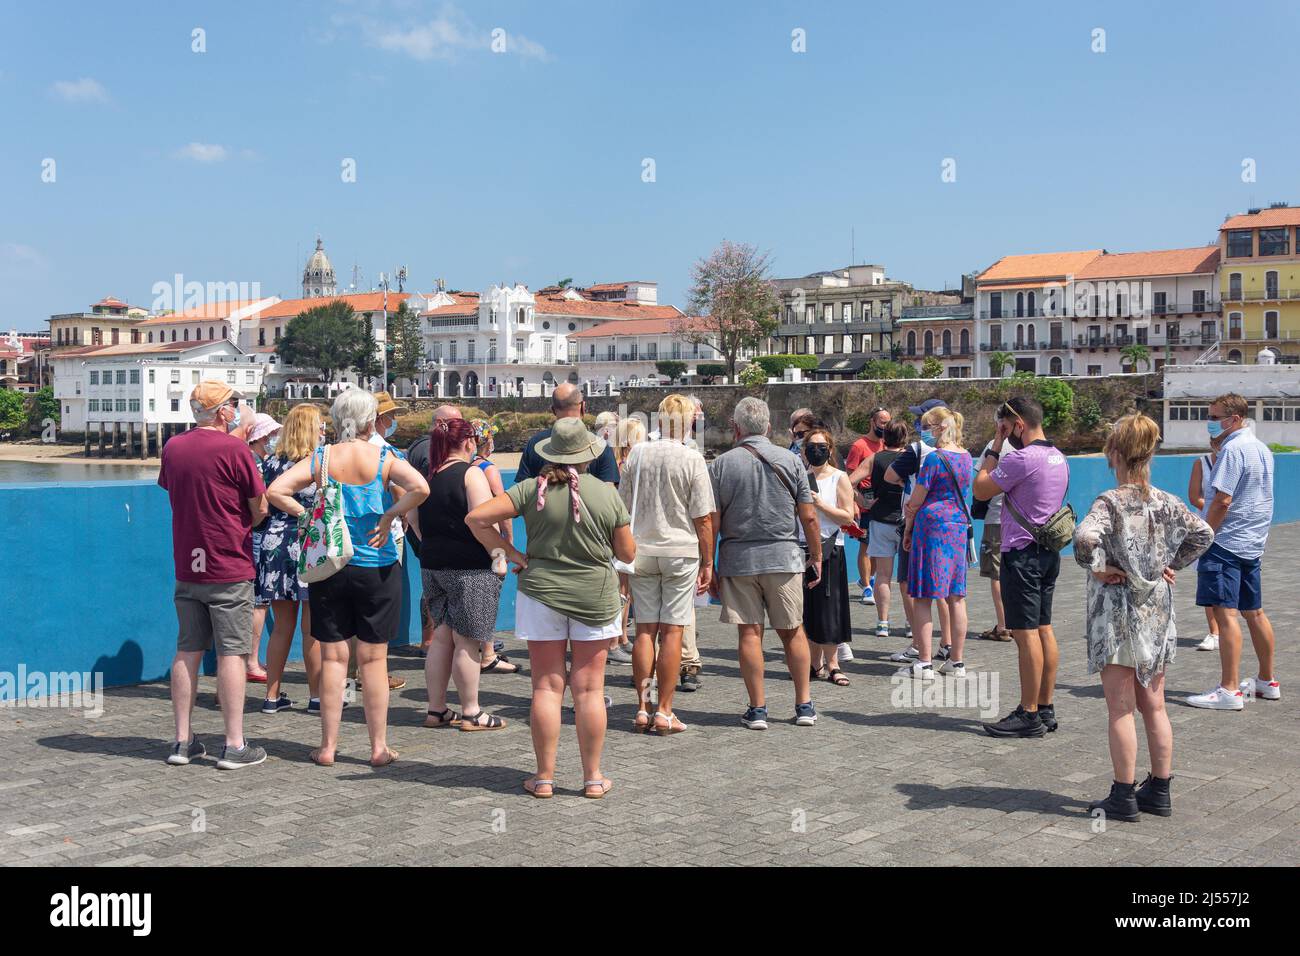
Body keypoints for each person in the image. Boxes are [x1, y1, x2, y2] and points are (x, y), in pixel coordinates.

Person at [466, 417, 634, 799]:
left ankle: (544, 777)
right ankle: (593, 778)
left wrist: (510, 554)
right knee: (590, 690)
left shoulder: (529, 488)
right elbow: (627, 552)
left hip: (540, 592)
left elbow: (476, 518)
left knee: (545, 686)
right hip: (594, 594)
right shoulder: (606, 493)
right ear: (589, 455)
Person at [266, 389, 429, 768]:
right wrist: (390, 515)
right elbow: (421, 488)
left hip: (331, 566)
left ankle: (327, 747)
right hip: (378, 565)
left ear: (338, 421)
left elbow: (276, 491)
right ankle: (377, 747)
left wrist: (306, 516)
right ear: (371, 421)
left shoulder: (322, 458)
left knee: (334, 657)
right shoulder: (386, 456)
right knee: (373, 660)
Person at [1075, 414, 1213, 821]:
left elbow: (1084, 538)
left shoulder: (1110, 501)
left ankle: (1123, 795)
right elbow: (1203, 533)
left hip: (1117, 613)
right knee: (1155, 706)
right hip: (1156, 611)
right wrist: (1172, 563)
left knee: (1120, 709)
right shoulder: (1167, 501)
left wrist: (1098, 566)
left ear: (1114, 453)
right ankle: (1160, 789)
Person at [159, 381, 268, 769]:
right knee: (233, 654)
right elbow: (259, 504)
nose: (237, 410)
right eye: (234, 404)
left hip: (188, 564)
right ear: (222, 411)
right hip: (228, 565)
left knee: (187, 649)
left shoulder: (173, 447)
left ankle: (182, 741)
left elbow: (172, 489)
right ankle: (234, 744)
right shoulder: (235, 448)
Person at [709, 397, 821, 730]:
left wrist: (708, 563)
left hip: (738, 559)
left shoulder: (721, 465)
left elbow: (712, 521)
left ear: (736, 427)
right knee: (792, 632)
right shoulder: (791, 460)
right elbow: (809, 516)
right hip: (783, 556)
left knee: (749, 633)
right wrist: (815, 556)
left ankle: (757, 709)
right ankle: (804, 704)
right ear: (769, 427)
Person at [974, 396, 1070, 738]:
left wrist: (995, 447)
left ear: (1017, 425)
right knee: (1044, 627)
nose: (1003, 434)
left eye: (1005, 427)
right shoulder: (1059, 457)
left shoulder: (1022, 459)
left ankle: (1028, 713)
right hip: (1048, 552)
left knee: (1025, 632)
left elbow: (981, 489)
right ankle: (1045, 706)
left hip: (1022, 553)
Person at [621, 394, 714, 733]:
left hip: (642, 550)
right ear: (689, 423)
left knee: (645, 630)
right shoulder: (692, 459)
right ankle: (664, 709)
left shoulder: (638, 456)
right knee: (673, 630)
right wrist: (708, 561)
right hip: (680, 550)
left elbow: (622, 507)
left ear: (659, 422)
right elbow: (702, 518)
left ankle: (644, 706)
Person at [412, 417, 509, 732]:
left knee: (441, 637)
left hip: (432, 564)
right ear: (469, 443)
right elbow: (483, 522)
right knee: (468, 641)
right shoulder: (471, 474)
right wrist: (500, 557)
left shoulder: (427, 477)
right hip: (470, 567)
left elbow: (413, 518)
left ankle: (437, 709)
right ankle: (472, 712)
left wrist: (433, 542)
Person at [1188, 394, 1280, 710]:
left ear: (1235, 419)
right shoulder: (1262, 449)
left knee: (1225, 615)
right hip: (1252, 542)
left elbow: (1222, 500)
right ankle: (1267, 681)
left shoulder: (1232, 450)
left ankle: (1229, 690)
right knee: (1253, 612)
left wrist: (1205, 536)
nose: (1210, 422)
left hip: (1225, 543)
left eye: (1215, 416)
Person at [252, 406, 323, 715]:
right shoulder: (316, 463)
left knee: (282, 626)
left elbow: (261, 507)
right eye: (320, 426)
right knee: (312, 628)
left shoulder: (268, 463)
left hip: (274, 545)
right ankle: (317, 696)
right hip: (307, 543)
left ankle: (271, 696)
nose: (324, 430)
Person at [899, 406, 972, 680]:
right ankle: (957, 661)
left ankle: (924, 662)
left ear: (939, 427)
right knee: (956, 596)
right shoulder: (966, 457)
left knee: (923, 596)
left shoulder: (934, 459)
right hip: (957, 528)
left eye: (927, 426)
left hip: (931, 527)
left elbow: (915, 501)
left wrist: (908, 528)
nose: (924, 432)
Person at [883, 400, 953, 660]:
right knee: (945, 590)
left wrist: (908, 482)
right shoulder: (959, 453)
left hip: (917, 520)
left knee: (909, 585)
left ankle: (918, 645)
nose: (917, 426)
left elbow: (890, 475)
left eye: (921, 422)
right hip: (948, 524)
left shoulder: (917, 450)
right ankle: (948, 645)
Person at [800, 426, 855, 685]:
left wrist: (820, 504)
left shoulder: (839, 477)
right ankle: (814, 662)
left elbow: (848, 516)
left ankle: (834, 664)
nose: (817, 451)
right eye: (812, 447)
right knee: (807, 608)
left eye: (822, 447)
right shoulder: (800, 476)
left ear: (830, 450)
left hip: (832, 547)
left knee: (830, 607)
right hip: (803, 547)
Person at [851, 420, 908, 638]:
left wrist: (863, 502)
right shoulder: (911, 458)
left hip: (880, 520)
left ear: (884, 438)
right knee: (906, 579)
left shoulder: (875, 458)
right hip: (905, 522)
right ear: (905, 438)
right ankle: (911, 624)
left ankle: (882, 623)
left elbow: (849, 482)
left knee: (883, 575)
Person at [514, 382, 620, 485]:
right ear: (583, 407)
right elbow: (610, 490)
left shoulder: (534, 444)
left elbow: (523, 490)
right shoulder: (600, 446)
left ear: (553, 410)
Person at [845, 406, 892, 608]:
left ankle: (868, 579)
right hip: (864, 501)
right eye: (882, 422)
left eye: (888, 422)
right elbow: (849, 479)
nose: (885, 426)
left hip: (883, 502)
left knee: (877, 548)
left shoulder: (887, 444)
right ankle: (866, 587)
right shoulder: (859, 446)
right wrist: (855, 503)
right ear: (872, 422)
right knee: (865, 545)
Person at [610, 416, 648, 666]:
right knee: (622, 591)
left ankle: (622, 637)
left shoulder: (619, 464)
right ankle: (617, 640)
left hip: (622, 532)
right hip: (624, 533)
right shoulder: (626, 466)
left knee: (625, 591)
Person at [244, 411, 277, 685]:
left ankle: (250, 660)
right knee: (259, 602)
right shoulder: (256, 464)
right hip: (258, 534)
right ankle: (251, 661)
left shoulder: (255, 460)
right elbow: (260, 505)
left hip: (254, 533)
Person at [973, 436, 1012, 642]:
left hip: (996, 517)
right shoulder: (1027, 446)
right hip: (1022, 522)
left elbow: (980, 477)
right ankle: (1015, 623)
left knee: (996, 574)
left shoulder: (994, 445)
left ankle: (1004, 625)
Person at [1187, 437, 1222, 652]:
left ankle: (1227, 629)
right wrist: (1213, 510)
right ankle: (1214, 632)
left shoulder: (1236, 459)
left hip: (1232, 529)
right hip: (1207, 527)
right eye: (1215, 440)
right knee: (1208, 577)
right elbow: (1194, 497)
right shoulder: (1202, 463)